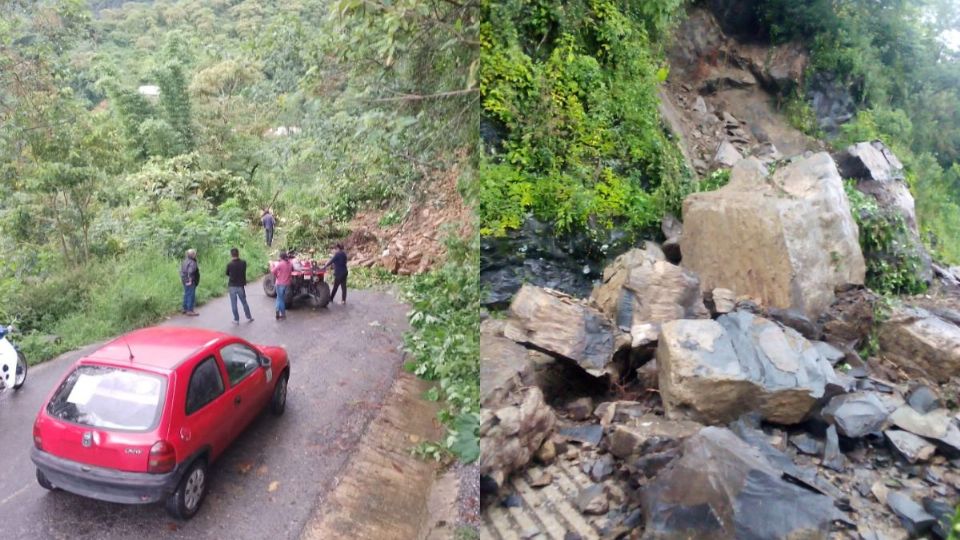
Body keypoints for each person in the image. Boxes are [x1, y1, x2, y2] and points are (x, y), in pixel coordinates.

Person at [226, 247, 254, 325]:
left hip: (232, 286)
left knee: (234, 303)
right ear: (238, 253)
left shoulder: (229, 264)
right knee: (244, 302)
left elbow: (227, 273)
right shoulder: (243, 262)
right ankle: (249, 317)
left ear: (231, 255)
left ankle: (236, 319)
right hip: (240, 286)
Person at [272, 252, 293, 320]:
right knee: (279, 298)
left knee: (280, 299)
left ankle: (282, 314)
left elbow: (273, 271)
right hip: (287, 284)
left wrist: (276, 275)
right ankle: (277, 310)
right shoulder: (290, 263)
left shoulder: (281, 263)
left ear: (281, 257)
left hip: (280, 284)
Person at [180, 248, 200, 316]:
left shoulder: (185, 261)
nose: (195, 255)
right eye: (194, 254)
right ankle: (190, 310)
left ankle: (184, 308)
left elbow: (181, 271)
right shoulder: (192, 262)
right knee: (191, 295)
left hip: (184, 279)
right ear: (193, 255)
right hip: (189, 280)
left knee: (186, 294)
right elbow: (190, 271)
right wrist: (190, 280)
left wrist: (185, 279)